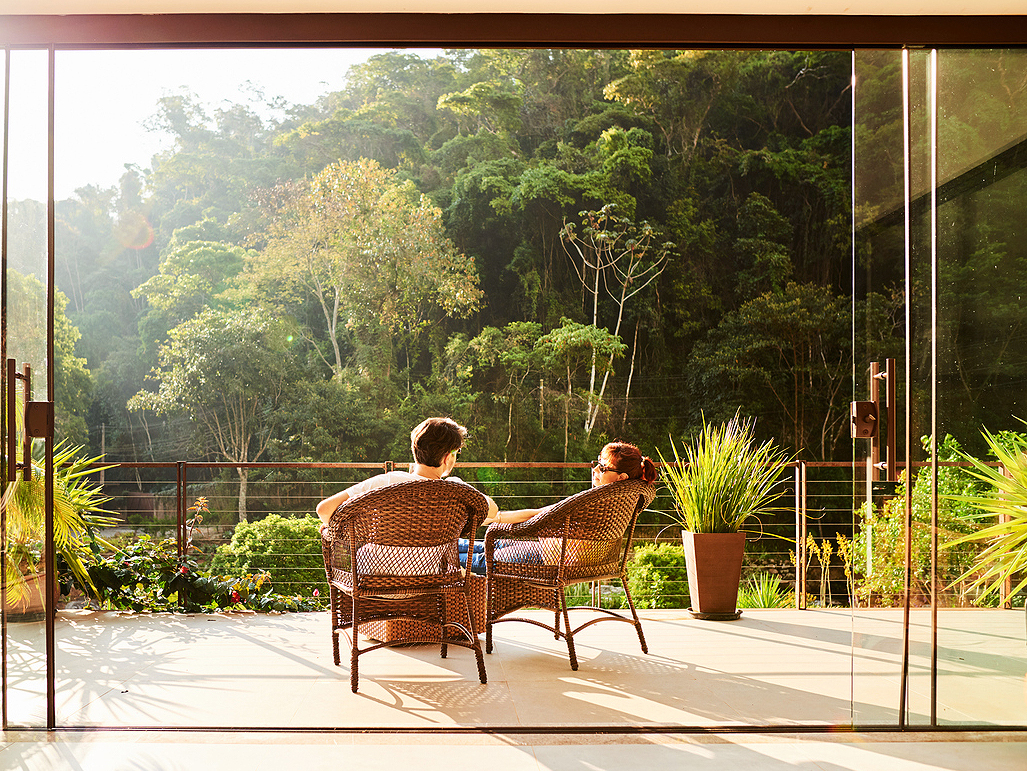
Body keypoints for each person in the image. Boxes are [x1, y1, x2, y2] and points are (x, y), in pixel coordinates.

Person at [460, 441, 659, 575]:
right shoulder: (624, 496)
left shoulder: (594, 501)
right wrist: (495, 518)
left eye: (604, 468)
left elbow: (541, 514)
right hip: (560, 552)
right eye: (597, 464)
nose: (596, 470)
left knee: (481, 557)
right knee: (478, 547)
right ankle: (439, 547)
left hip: (558, 559)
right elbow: (545, 513)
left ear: (622, 477)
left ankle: (433, 551)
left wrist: (496, 519)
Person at [316, 416, 498, 530]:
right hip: (430, 578)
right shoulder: (456, 489)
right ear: (446, 458)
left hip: (372, 578)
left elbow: (324, 510)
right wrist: (461, 486)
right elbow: (492, 510)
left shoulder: (389, 481)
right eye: (456, 453)